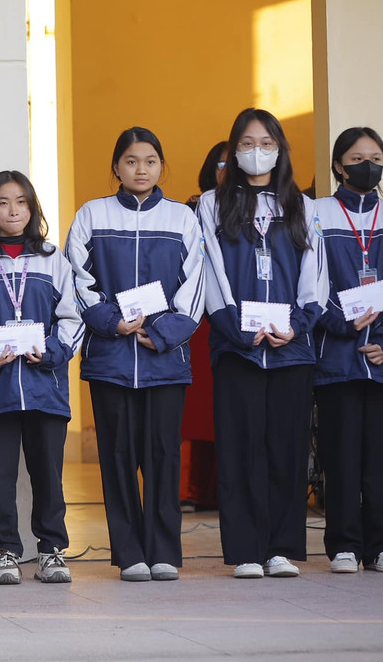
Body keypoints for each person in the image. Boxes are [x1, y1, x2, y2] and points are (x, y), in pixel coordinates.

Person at [65, 128, 205, 582]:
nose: (140, 169)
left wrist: (164, 332)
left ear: (161, 166)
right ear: (116, 168)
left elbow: (196, 284)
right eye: (130, 161)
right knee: (118, 456)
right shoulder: (92, 215)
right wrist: (110, 321)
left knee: (163, 455)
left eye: (149, 160)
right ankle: (129, 554)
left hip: (165, 360)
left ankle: (164, 551)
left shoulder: (183, 218)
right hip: (111, 358)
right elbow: (76, 279)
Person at [197, 107, 326, 579]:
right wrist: (236, 327)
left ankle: (280, 548)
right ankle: (247, 550)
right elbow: (211, 274)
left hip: (291, 348)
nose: (257, 152)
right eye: (248, 144)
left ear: (280, 149)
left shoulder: (302, 206)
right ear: (233, 150)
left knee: (288, 448)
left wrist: (297, 324)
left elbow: (315, 279)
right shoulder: (212, 204)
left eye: (267, 143)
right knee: (240, 446)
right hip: (238, 347)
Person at [0, 170, 83, 586]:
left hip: (45, 386)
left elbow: (72, 316)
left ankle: (50, 550)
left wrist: (52, 351)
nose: (14, 210)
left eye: (22, 202)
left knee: (48, 474)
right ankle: (6, 551)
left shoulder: (52, 256)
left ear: (33, 208)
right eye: (4, 202)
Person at [313, 126, 383, 574]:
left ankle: (376, 546)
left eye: (375, 157)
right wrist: (339, 323)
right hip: (334, 359)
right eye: (357, 158)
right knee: (339, 455)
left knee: (378, 458)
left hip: (379, 359)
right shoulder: (318, 213)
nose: (368, 165)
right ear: (339, 165)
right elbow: (308, 285)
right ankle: (342, 543)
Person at [181, 142, 227, 513]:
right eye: (222, 163)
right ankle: (191, 487)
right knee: (196, 409)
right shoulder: (191, 210)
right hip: (198, 323)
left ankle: (221, 488)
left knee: (223, 408)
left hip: (240, 321)